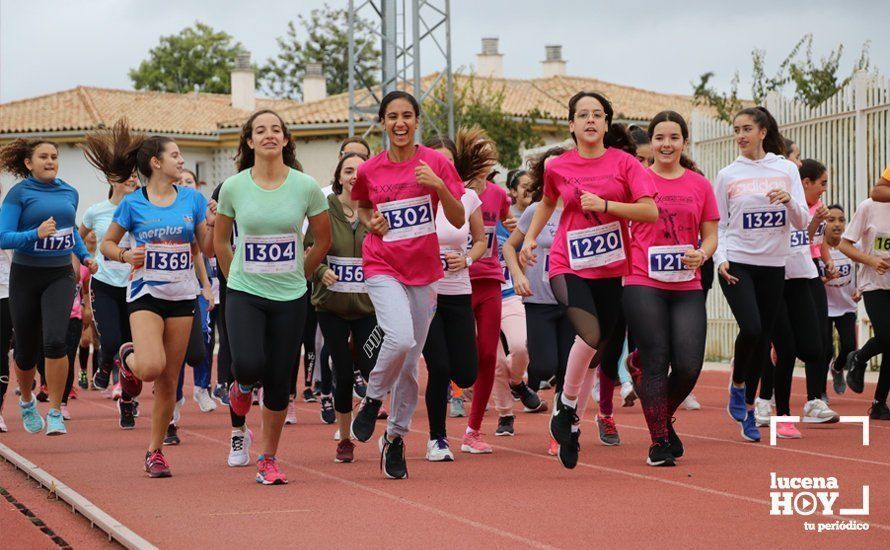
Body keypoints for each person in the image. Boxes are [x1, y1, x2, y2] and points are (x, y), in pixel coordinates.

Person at [521, 91, 658, 469]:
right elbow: (548, 202)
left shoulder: (626, 164)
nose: (591, 121)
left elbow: (649, 210)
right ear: (572, 124)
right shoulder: (558, 167)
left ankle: (570, 417)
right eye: (583, 115)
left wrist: (607, 206)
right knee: (590, 335)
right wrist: (532, 237)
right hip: (568, 262)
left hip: (611, 265)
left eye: (598, 114)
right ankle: (565, 408)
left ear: (606, 122)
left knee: (597, 352)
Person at [349, 91, 465, 479]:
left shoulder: (434, 163)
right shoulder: (370, 170)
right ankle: (372, 398)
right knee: (398, 340)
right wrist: (371, 223)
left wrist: (439, 186)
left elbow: (458, 216)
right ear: (383, 122)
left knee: (412, 364)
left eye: (407, 116)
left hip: (423, 271)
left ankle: (395, 438)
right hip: (381, 264)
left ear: (417, 121)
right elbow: (362, 208)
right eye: (392, 116)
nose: (400, 123)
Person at [85, 119, 209, 477]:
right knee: (152, 367)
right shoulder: (133, 204)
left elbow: (207, 250)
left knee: (170, 380)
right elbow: (107, 244)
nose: (182, 161)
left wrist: (217, 225)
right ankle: (129, 357)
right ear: (156, 162)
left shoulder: (192, 199)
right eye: (175, 155)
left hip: (183, 294)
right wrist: (125, 256)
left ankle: (155, 451)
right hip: (145, 293)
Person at [216, 109, 331, 485]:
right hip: (246, 292)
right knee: (248, 363)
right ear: (249, 141)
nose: (268, 135)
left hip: (290, 295)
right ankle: (241, 386)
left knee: (281, 380)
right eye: (260, 130)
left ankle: (268, 458)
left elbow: (323, 239)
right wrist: (236, 276)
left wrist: (301, 267)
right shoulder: (233, 186)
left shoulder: (305, 186)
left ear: (285, 139)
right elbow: (220, 241)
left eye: (276, 129)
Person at [622, 111, 718, 466]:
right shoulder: (636, 181)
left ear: (684, 142)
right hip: (642, 279)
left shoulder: (699, 184)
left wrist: (702, 254)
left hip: (686, 282)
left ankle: (649, 393)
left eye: (673, 137)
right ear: (651, 142)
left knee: (690, 366)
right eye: (660, 137)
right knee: (658, 360)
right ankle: (659, 441)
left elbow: (711, 236)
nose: (666, 144)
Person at [715, 107, 809, 442]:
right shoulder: (727, 174)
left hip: (774, 264)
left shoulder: (785, 169)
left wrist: (789, 202)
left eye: (746, 129)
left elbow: (802, 221)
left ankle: (750, 412)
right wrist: (720, 259)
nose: (740, 136)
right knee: (751, 328)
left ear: (763, 131)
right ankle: (738, 384)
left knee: (764, 337)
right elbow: (720, 225)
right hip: (738, 262)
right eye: (736, 130)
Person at [0, 138, 97, 436]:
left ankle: (55, 409)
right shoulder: (19, 194)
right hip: (26, 276)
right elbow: (4, 236)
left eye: (54, 156)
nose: (51, 161)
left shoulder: (70, 191)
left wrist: (84, 256)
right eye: (43, 156)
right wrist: (34, 234)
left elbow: (70, 232)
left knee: (55, 341)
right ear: (29, 163)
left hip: (59, 274)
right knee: (26, 349)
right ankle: (27, 400)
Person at [307, 151, 381, 463]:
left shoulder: (376, 211)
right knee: (342, 371)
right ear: (338, 177)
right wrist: (321, 270)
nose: (354, 175)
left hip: (367, 306)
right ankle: (345, 438)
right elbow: (306, 250)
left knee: (375, 367)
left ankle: (370, 410)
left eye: (360, 171)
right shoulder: (323, 210)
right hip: (332, 306)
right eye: (348, 170)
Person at [504, 146, 575, 455]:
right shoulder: (535, 210)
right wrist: (518, 275)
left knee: (566, 370)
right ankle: (521, 384)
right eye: (548, 171)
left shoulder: (580, 208)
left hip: (572, 300)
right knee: (544, 366)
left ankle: (561, 430)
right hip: (538, 301)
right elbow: (509, 247)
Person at [421, 134, 485, 461]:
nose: (440, 166)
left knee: (466, 372)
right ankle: (437, 439)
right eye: (435, 160)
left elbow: (480, 241)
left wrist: (468, 259)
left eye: (446, 160)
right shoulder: (415, 199)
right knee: (440, 367)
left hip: (459, 291)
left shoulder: (468, 196)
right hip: (427, 295)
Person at [79, 172, 140, 427]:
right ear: (112, 180)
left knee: (132, 350)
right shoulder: (97, 211)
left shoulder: (143, 208)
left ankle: (127, 401)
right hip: (104, 283)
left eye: (136, 176)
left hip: (134, 286)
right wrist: (86, 258)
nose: (132, 180)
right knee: (113, 341)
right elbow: (77, 236)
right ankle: (104, 365)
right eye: (126, 176)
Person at [837, 195, 890, 420]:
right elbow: (844, 244)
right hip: (874, 284)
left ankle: (879, 403)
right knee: (888, 337)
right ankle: (859, 358)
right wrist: (870, 260)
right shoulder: (869, 206)